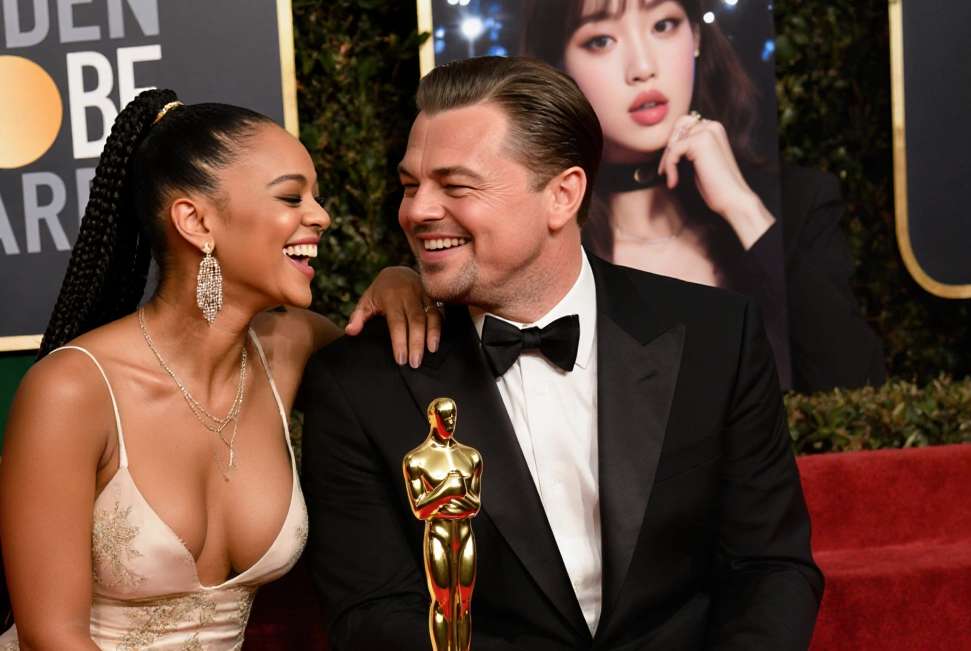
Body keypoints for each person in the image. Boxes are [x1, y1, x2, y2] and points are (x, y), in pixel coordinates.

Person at [299, 56, 823, 650]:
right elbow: (373, 616)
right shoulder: (361, 382)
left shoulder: (717, 336)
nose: (417, 210)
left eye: (456, 185)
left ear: (562, 195)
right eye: (411, 184)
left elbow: (769, 568)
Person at [0, 91, 441, 650]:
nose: (321, 216)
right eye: (291, 196)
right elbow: (53, 638)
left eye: (316, 196)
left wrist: (400, 278)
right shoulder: (72, 390)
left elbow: (391, 385)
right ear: (195, 221)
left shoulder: (290, 348)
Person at [520, 0, 885, 392]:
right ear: (557, 65)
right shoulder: (533, 240)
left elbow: (860, 388)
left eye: (663, 25)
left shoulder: (797, 204)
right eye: (601, 39)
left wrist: (744, 210)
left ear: (695, 35)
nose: (642, 67)